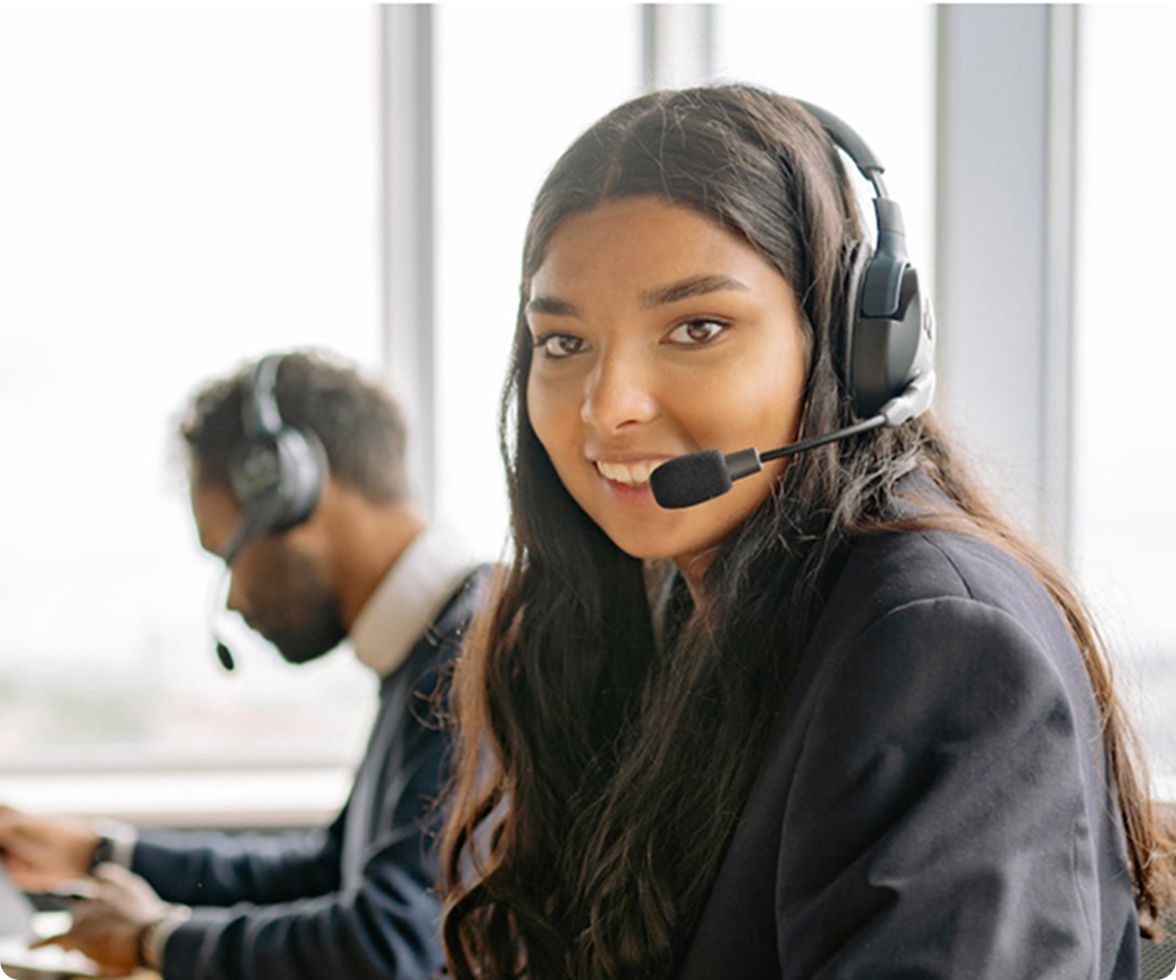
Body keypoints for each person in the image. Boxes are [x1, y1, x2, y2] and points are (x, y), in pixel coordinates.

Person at [436, 85, 1174, 979]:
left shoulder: (937, 640)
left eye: (696, 328)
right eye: (563, 343)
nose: (607, 409)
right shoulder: (677, 604)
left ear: (853, 346)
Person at [0, 350, 486, 980]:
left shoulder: (474, 659)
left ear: (293, 490)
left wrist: (157, 940)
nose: (232, 597)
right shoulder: (429, 646)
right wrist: (102, 852)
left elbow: (389, 945)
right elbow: (325, 872)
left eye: (228, 552)